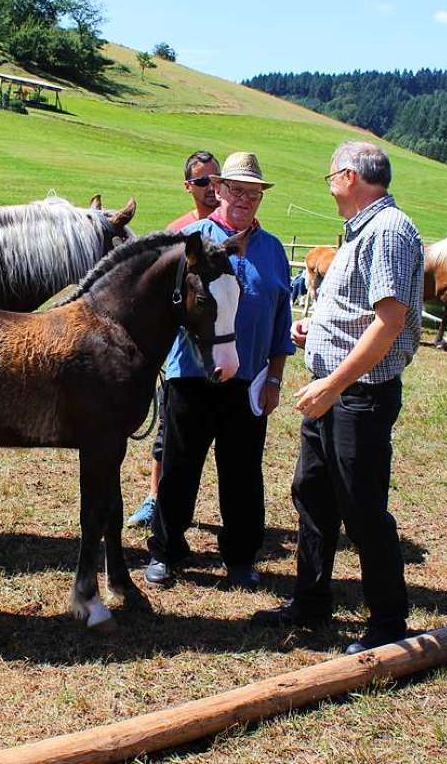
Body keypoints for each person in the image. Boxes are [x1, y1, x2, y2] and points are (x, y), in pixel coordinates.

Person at [252, 141, 424, 655]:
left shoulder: (389, 231)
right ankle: (311, 601)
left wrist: (333, 384)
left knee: (362, 508)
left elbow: (390, 322)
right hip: (333, 392)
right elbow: (359, 312)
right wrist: (316, 328)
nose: (327, 182)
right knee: (313, 495)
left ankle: (389, 621)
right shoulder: (361, 232)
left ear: (349, 176)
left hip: (356, 397)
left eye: (331, 174)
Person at [143, 152, 295, 591]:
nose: (244, 199)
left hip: (249, 382)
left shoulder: (273, 251)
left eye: (254, 192)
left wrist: (275, 377)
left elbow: (281, 321)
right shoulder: (189, 241)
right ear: (219, 190)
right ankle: (166, 552)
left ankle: (242, 558)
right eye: (236, 189)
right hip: (191, 376)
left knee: (244, 472)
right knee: (178, 467)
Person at [126, 150, 221, 528]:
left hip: (220, 348)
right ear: (188, 187)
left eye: (216, 179)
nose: (210, 188)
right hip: (182, 352)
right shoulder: (177, 233)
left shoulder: (237, 227)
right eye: (202, 181)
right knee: (168, 429)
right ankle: (154, 498)